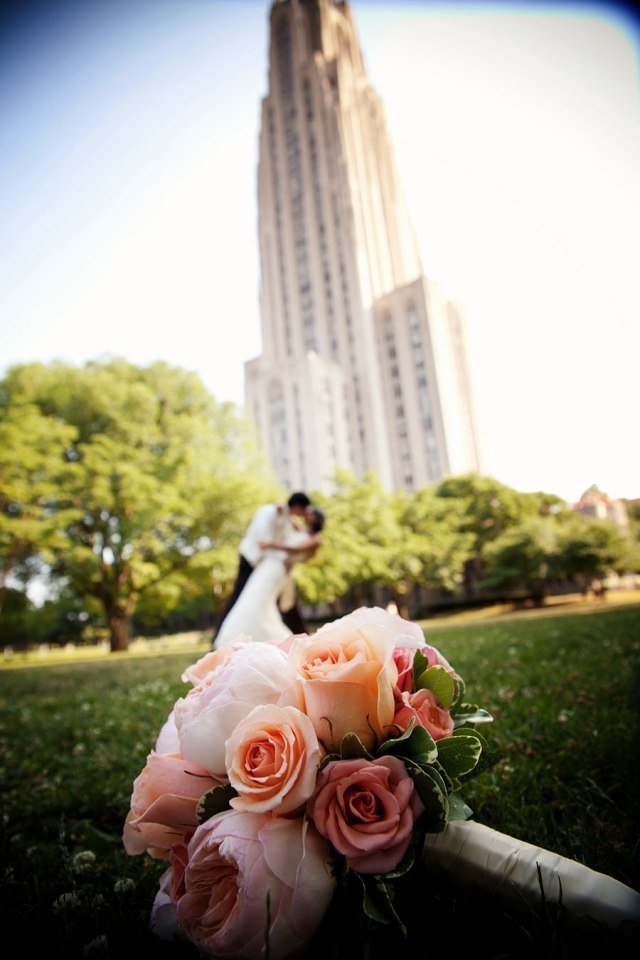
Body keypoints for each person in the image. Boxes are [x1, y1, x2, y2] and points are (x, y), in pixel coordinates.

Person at [213, 506, 325, 648]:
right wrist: (281, 508)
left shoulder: (315, 539)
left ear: (316, 519)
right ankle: (239, 635)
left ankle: (282, 639)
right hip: (270, 566)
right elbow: (284, 517)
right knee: (252, 598)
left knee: (262, 601)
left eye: (310, 513)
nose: (306, 514)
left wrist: (271, 545)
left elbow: (296, 550)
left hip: (279, 569)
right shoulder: (298, 528)